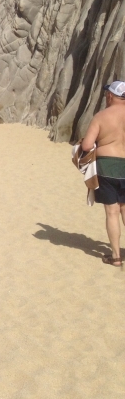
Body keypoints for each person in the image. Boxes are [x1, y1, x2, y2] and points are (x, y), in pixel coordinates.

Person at [81, 80, 125, 267]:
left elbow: (87, 146)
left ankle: (115, 256)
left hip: (107, 166)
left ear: (110, 96)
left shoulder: (101, 116)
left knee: (112, 211)